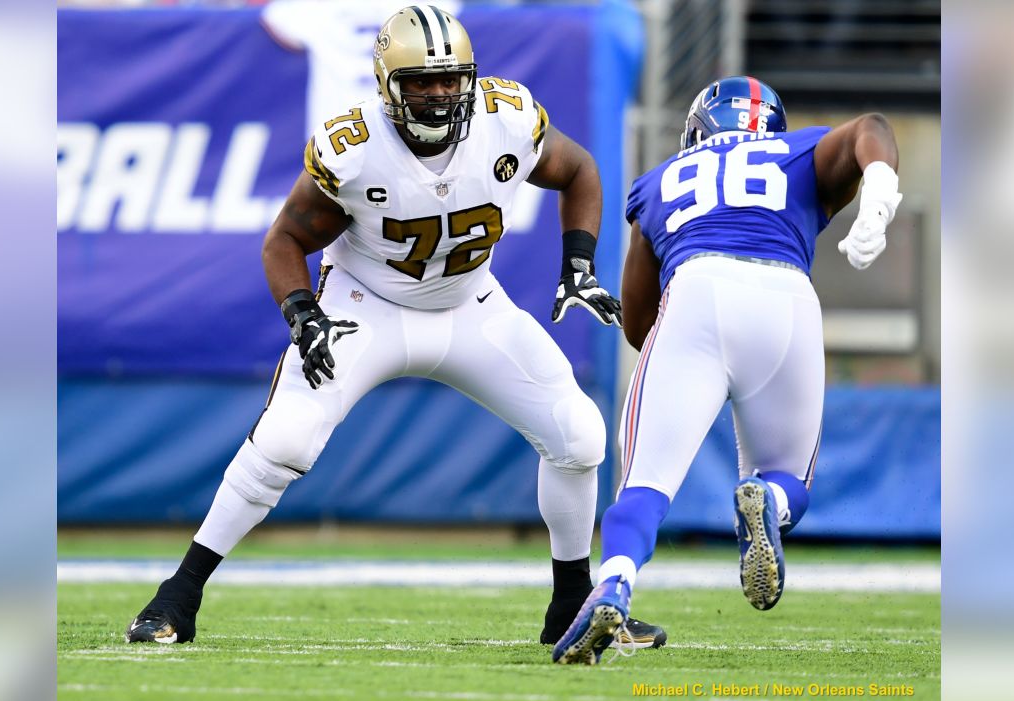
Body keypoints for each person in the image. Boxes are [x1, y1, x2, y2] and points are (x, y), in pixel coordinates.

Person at [126, 4, 666, 650]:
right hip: (366, 305)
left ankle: (572, 605)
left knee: (580, 436)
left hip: (471, 305)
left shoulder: (506, 117)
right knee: (287, 440)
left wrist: (577, 263)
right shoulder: (353, 148)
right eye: (420, 82)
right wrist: (304, 314)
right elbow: (284, 240)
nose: (438, 95)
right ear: (388, 86)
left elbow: (578, 170)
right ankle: (177, 596)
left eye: (450, 79)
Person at [552, 76, 902, 664]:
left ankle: (613, 582)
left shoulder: (661, 179)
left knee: (643, 484)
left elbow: (638, 321)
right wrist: (879, 192)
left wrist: (685, 355)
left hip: (696, 291)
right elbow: (872, 129)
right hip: (787, 297)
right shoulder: (793, 153)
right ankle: (766, 497)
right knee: (792, 479)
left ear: (699, 130)